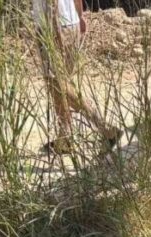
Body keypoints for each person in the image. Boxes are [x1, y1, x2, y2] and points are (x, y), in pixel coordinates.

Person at [32, 0, 120, 154]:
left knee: (58, 84)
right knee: (60, 86)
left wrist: (55, 32)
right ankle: (64, 138)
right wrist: (79, 17)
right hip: (71, 24)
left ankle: (106, 129)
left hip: (53, 27)